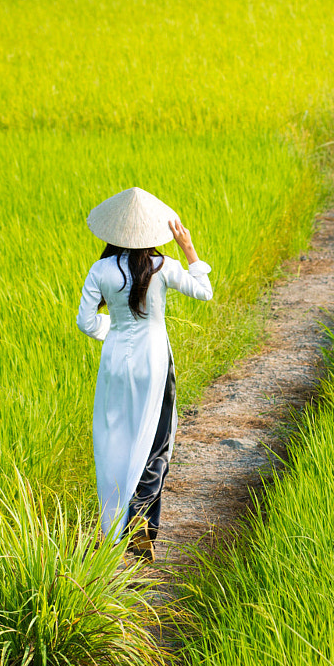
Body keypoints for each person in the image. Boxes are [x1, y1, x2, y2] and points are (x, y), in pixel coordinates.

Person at [75, 187, 213, 559]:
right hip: (154, 362)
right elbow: (205, 291)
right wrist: (189, 250)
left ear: (116, 231)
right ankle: (138, 522)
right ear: (152, 232)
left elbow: (85, 322)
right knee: (158, 442)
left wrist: (116, 332)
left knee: (114, 439)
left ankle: (113, 526)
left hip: (115, 363)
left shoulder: (101, 270)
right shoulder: (163, 267)